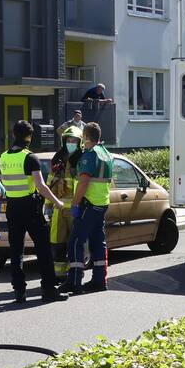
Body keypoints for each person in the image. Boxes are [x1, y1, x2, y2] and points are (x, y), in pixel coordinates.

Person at [0, 121, 69, 304]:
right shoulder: (30, 158)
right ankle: (48, 290)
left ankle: (19, 291)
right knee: (43, 248)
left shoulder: (4, 157)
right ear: (29, 137)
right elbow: (41, 186)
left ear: (14, 134)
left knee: (16, 250)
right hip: (29, 207)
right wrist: (57, 202)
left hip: (12, 207)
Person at [62, 121, 113, 295]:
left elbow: (83, 182)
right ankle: (100, 280)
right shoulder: (106, 154)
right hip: (102, 204)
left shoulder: (89, 155)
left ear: (85, 137)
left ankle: (74, 281)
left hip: (88, 205)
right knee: (98, 242)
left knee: (76, 242)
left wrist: (75, 204)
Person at [48, 126, 83, 280]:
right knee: (57, 242)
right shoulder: (58, 158)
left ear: (79, 141)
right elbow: (50, 183)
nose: (71, 142)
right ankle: (59, 274)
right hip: (59, 208)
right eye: (68, 140)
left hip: (76, 207)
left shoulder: (83, 158)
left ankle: (75, 274)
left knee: (75, 243)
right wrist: (48, 205)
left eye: (74, 140)